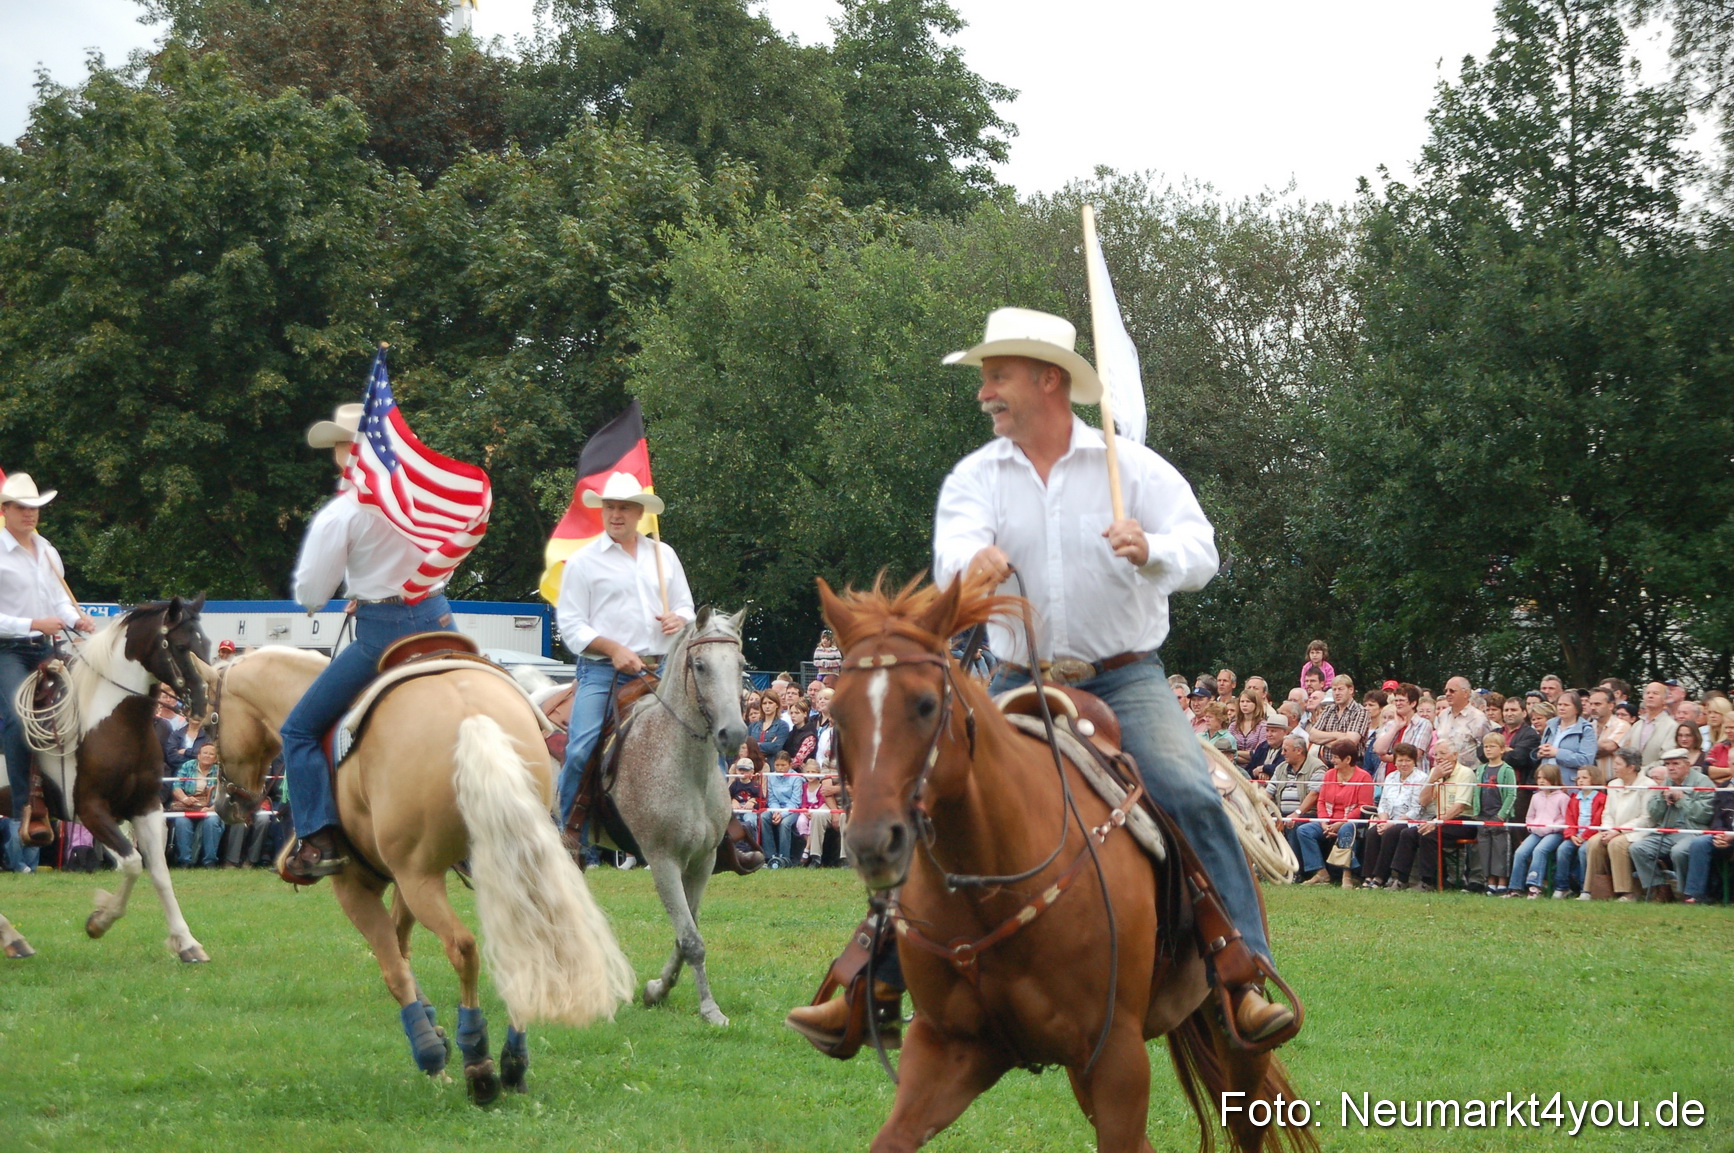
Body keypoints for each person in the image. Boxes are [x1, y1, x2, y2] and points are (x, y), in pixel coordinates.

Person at [789, 307, 1300, 1056]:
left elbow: (1204, 550)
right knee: (925, 794)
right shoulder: (975, 477)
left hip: (1126, 678)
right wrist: (973, 567)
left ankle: (1241, 973)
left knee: (1189, 791)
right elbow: (956, 547)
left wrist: (1151, 547)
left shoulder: (1130, 467)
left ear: (1047, 380)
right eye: (986, 379)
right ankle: (877, 978)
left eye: (997, 377)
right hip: (1013, 676)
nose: (984, 393)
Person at [279, 404, 470, 879]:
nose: (339, 454)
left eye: (341, 445)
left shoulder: (342, 513)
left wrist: (349, 595)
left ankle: (320, 839)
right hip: (440, 619)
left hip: (382, 637)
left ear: (349, 454)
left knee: (297, 732)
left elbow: (309, 590)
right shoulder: (424, 496)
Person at [553, 471, 695, 843]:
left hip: (663, 669)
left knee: (706, 737)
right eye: (610, 507)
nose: (616, 514)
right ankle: (568, 834)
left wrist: (679, 619)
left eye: (624, 508)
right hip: (603, 673)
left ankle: (724, 832)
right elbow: (570, 625)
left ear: (639, 514)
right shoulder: (583, 561)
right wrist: (614, 649)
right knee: (582, 748)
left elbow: (688, 609)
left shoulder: (664, 555)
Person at [0, 473, 97, 843]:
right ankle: (27, 806)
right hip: (7, 650)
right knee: (16, 717)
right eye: (22, 507)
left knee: (87, 705)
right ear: (5, 510)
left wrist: (77, 618)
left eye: (34, 508)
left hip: (46, 646)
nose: (30, 514)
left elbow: (60, 601)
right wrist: (32, 622)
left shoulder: (47, 550)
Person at [1629, 748, 1715, 900]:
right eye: (1668, 764)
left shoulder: (1703, 782)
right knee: (1638, 848)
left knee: (1679, 852)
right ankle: (1659, 889)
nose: (1671, 768)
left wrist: (1682, 800)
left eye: (1676, 763)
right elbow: (1654, 815)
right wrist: (1662, 799)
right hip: (1666, 831)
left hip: (1692, 831)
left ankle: (1685, 893)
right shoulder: (1666, 781)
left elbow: (1704, 815)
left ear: (1687, 765)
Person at [1296, 739, 1372, 888]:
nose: (1332, 760)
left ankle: (1347, 875)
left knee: (1346, 829)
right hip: (1328, 821)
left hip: (1351, 823)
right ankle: (1320, 872)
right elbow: (1321, 801)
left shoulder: (1364, 777)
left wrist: (1341, 822)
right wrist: (1324, 823)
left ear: (1348, 759)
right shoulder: (1329, 774)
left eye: (1336, 757)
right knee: (1304, 830)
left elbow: (1363, 807)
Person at [1585, 749, 1657, 901]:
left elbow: (1646, 818)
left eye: (1618, 764)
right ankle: (1591, 889)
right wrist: (1608, 830)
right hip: (1612, 830)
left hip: (1637, 831)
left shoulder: (1648, 785)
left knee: (1617, 845)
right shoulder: (1613, 784)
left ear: (1631, 767)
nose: (1614, 767)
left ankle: (1626, 892)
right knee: (1593, 842)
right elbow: (1607, 813)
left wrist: (1618, 831)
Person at [1360, 743, 1428, 890]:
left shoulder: (1421, 779)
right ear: (1395, 761)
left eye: (1408, 760)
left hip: (1410, 821)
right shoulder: (1391, 777)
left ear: (1414, 761)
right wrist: (1383, 820)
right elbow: (1383, 802)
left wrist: (1391, 824)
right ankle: (1368, 876)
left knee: (1391, 832)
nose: (1404, 764)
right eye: (1400, 760)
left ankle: (1380, 877)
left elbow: (1416, 810)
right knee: (1373, 832)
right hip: (1389, 819)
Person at [1415, 740, 1479, 890]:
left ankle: (1429, 882)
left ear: (1455, 755)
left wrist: (1436, 822)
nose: (1438, 757)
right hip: (1440, 819)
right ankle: (1400, 878)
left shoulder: (1465, 773)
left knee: (1429, 835)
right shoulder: (1434, 772)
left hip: (1463, 821)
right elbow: (1423, 801)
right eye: (1436, 754)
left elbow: (1459, 806)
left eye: (1443, 754)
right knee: (1409, 833)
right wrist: (1432, 779)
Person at [1508, 763, 1570, 898]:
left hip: (1554, 833)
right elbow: (1530, 816)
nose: (1541, 781)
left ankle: (1534, 886)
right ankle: (1515, 887)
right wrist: (1532, 826)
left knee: (1539, 850)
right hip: (1536, 832)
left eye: (1545, 778)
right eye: (1539, 778)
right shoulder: (1536, 797)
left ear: (1554, 779)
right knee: (1520, 852)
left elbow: (1566, 819)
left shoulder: (1563, 798)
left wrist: (1552, 827)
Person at [1472, 732, 1518, 895]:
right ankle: (1490, 882)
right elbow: (1476, 791)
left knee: (1501, 850)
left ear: (1502, 749)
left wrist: (1501, 815)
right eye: (1486, 746)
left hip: (1499, 816)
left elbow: (1512, 794)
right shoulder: (1481, 769)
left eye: (1492, 746)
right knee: (1485, 850)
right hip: (1483, 815)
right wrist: (1476, 812)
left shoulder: (1507, 770)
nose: (1488, 750)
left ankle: (1502, 883)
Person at [166, 743, 223, 867]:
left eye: (211, 754)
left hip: (210, 806)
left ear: (216, 758)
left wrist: (211, 808)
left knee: (212, 821)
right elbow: (176, 786)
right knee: (181, 821)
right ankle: (185, 861)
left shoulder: (220, 771)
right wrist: (184, 798)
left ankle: (209, 861)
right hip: (188, 806)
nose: (207, 756)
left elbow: (222, 794)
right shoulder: (187, 766)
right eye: (205, 753)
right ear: (198, 755)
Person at [1554, 765, 1606, 899]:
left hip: (1591, 836)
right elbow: (1570, 818)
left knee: (1584, 852)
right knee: (1562, 850)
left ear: (1594, 779)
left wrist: (1584, 836)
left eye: (1585, 778)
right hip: (1575, 836)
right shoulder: (1575, 798)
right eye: (1578, 778)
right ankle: (1562, 887)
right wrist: (1571, 835)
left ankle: (1586, 889)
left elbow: (1597, 820)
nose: (1580, 781)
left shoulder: (1601, 798)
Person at [1681, 779, 1734, 905]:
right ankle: (1695, 895)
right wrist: (1720, 834)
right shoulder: (1725, 787)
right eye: (1732, 763)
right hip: (1725, 836)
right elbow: (1717, 818)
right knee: (1699, 843)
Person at [1537, 690, 1596, 782]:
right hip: (1547, 783)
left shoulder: (1586, 730)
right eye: (1559, 704)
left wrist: (1557, 753)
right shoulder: (1549, 726)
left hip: (1570, 784)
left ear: (1577, 709)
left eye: (1566, 705)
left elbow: (1586, 761)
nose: (1561, 708)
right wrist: (1540, 753)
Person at [761, 749, 805, 867]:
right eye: (777, 765)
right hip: (776, 808)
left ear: (790, 765)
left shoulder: (796, 778)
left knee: (785, 823)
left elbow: (796, 801)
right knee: (763, 816)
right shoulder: (771, 777)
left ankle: (784, 858)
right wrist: (776, 811)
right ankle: (770, 856)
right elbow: (771, 798)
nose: (780, 768)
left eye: (783, 765)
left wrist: (782, 814)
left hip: (792, 810)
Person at [1307, 674, 1367, 756]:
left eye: (1340, 689)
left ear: (1351, 690)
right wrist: (1337, 735)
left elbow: (1350, 743)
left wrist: (1323, 741)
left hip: (1350, 764)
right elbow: (1312, 736)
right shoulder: (1328, 710)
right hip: (1327, 763)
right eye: (1334, 690)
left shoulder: (1360, 711)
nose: (1337, 693)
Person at [1622, 682, 1676, 768]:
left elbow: (1667, 757)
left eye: (1655, 693)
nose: (1650, 696)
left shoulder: (1672, 726)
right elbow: (1625, 750)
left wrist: (1645, 770)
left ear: (1665, 699)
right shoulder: (1637, 725)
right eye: (1648, 693)